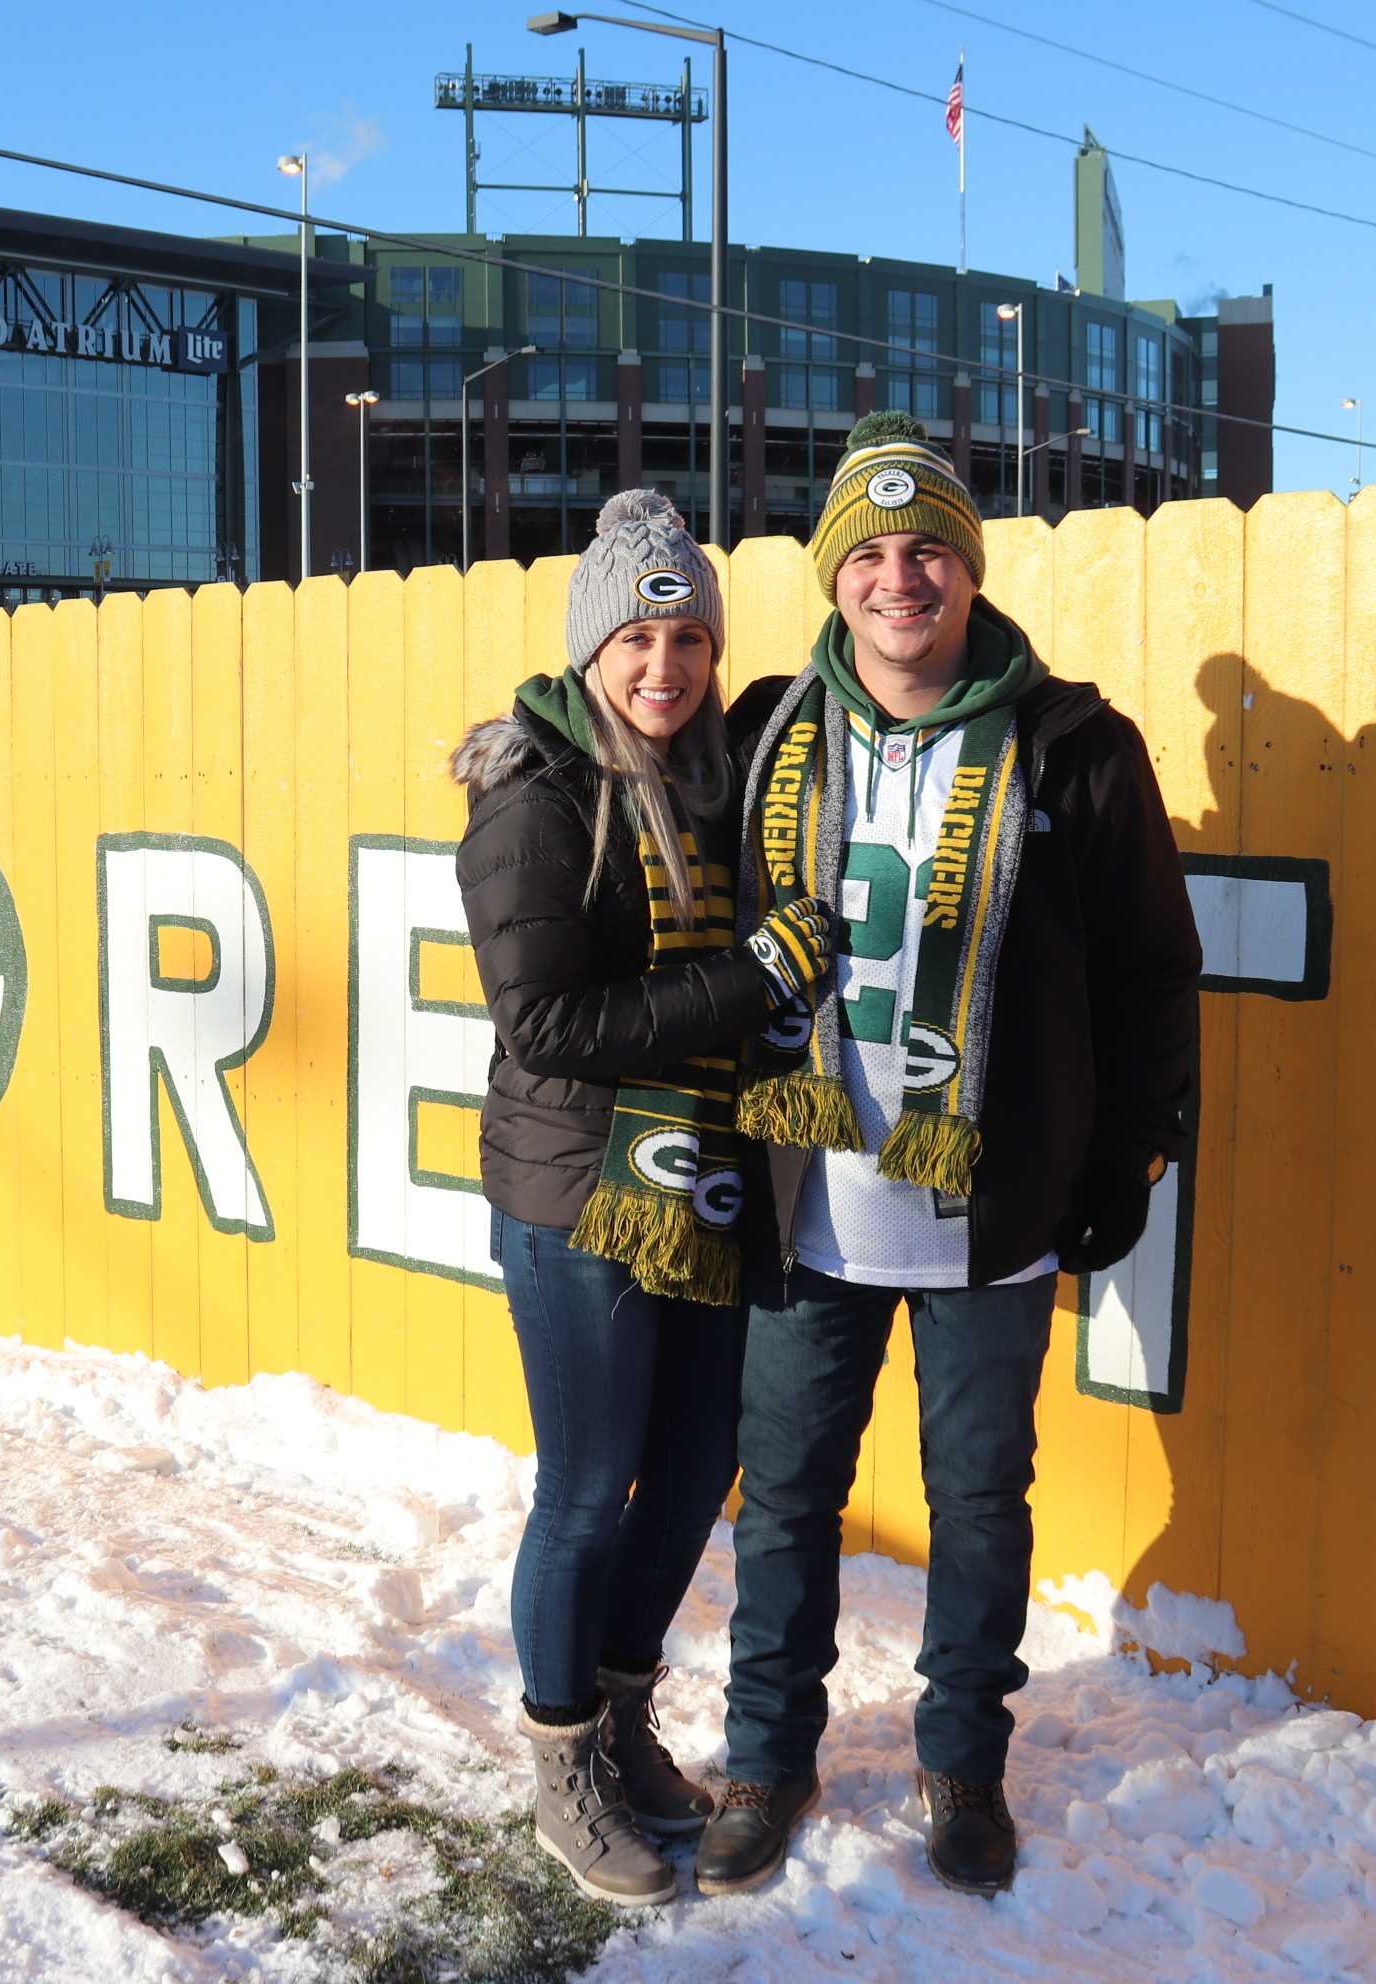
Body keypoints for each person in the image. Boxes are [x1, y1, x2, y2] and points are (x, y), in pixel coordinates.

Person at [696, 413, 1201, 1899]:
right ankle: (767, 1757)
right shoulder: (771, 730)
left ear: (970, 573)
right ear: (834, 573)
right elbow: (641, 831)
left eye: (927, 552)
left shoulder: (1077, 747)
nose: (898, 579)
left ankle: (963, 1762)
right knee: (784, 1492)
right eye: (869, 552)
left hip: (992, 1208)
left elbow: (1152, 976)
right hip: (809, 1200)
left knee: (981, 1499)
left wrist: (1132, 1160)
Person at [453, 488, 847, 1907]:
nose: (663, 667)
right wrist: (757, 979)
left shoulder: (719, 774)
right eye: (636, 637)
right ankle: (561, 1756)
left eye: (686, 637)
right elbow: (547, 1024)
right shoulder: (538, 797)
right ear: (588, 648)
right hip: (577, 1195)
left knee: (689, 1474)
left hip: (703, 1183)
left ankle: (620, 1715)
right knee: (588, 1487)